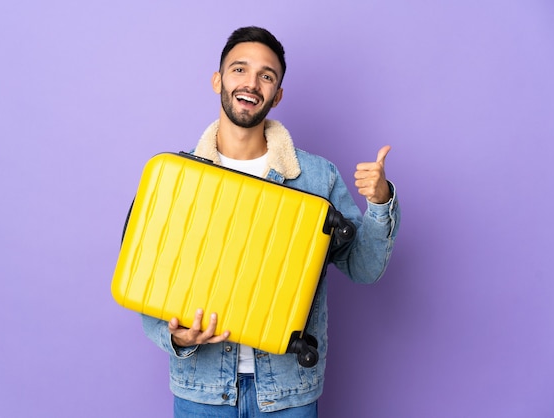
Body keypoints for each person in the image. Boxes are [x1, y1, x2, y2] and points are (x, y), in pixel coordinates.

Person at [139, 26, 400, 417]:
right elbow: (151, 274)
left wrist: (379, 203)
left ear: (277, 95)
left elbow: (363, 269)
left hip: (288, 391)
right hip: (201, 389)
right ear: (218, 80)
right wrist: (174, 335)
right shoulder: (178, 177)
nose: (251, 83)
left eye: (266, 75)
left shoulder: (316, 177)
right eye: (239, 69)